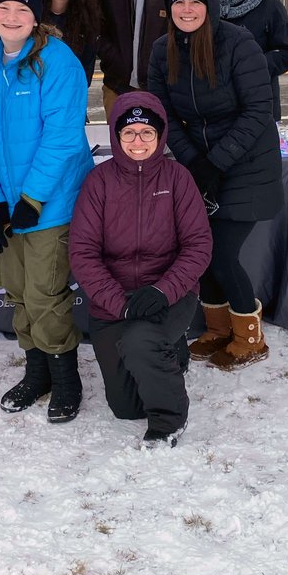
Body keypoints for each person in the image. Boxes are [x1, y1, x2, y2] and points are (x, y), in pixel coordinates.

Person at [0, 0, 93, 423]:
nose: (12, 16)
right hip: (7, 206)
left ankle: (65, 377)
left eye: (21, 9)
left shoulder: (57, 62)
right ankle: (36, 372)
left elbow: (62, 137)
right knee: (17, 292)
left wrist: (33, 198)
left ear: (35, 17)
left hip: (50, 203)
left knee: (44, 294)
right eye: (3, 9)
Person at [147, 0, 283, 369]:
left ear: (210, 4)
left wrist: (216, 162)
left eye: (195, 1)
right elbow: (162, 113)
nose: (187, 9)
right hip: (203, 165)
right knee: (200, 251)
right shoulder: (162, 50)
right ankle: (218, 329)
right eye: (179, 2)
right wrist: (194, 161)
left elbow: (259, 110)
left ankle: (250, 338)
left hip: (248, 165)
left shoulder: (238, 44)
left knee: (221, 253)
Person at [69, 93, 212, 447]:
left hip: (168, 293)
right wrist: (120, 303)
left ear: (160, 135)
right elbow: (83, 253)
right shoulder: (98, 182)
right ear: (116, 137)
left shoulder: (178, 178)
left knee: (140, 340)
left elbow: (198, 245)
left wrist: (164, 290)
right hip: (114, 301)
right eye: (129, 132)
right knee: (126, 407)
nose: (138, 141)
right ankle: (170, 351)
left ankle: (168, 420)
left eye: (147, 132)